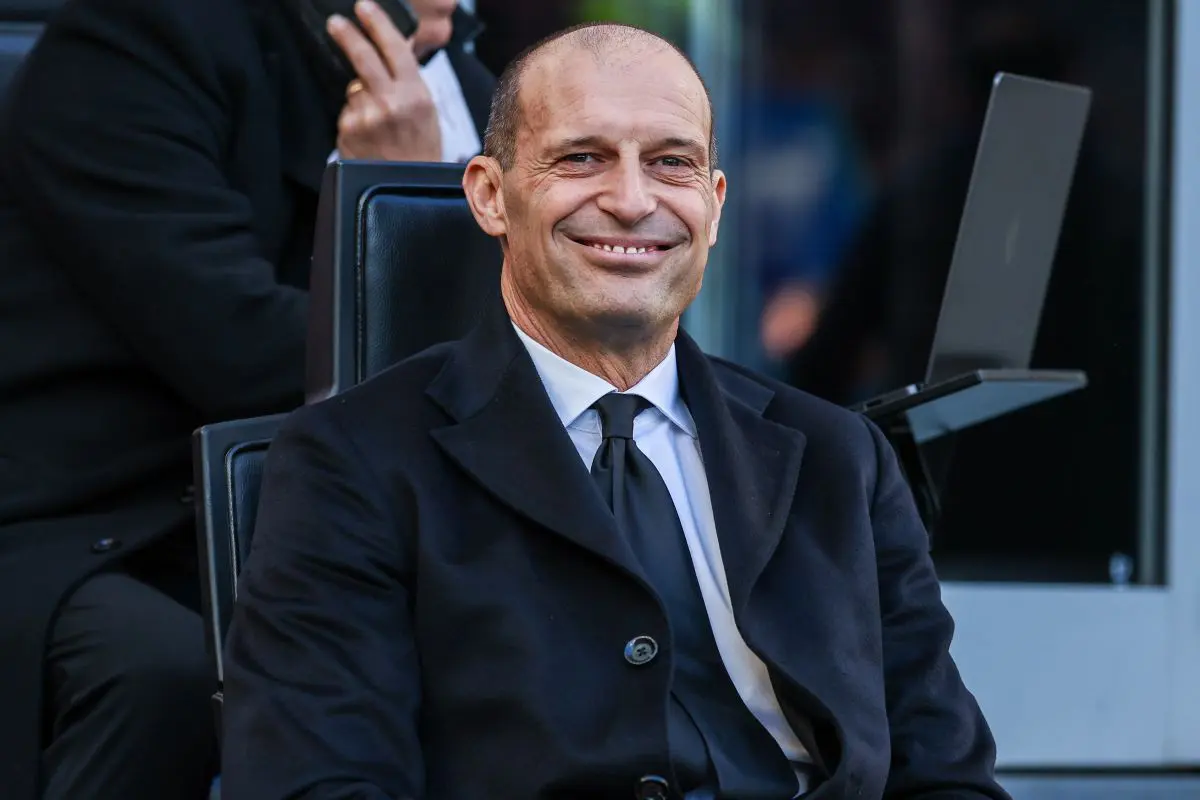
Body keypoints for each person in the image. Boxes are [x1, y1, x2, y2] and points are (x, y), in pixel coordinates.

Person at [222, 22, 1011, 800]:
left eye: (671, 163)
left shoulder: (842, 459)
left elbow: (947, 778)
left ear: (714, 204)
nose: (633, 202)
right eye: (581, 158)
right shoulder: (352, 460)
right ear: (490, 195)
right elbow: (317, 783)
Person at [0, 0, 493, 796]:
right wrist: (386, 199)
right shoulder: (138, 40)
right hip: (94, 520)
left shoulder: (472, 86)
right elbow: (234, 346)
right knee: (162, 672)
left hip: (346, 522)